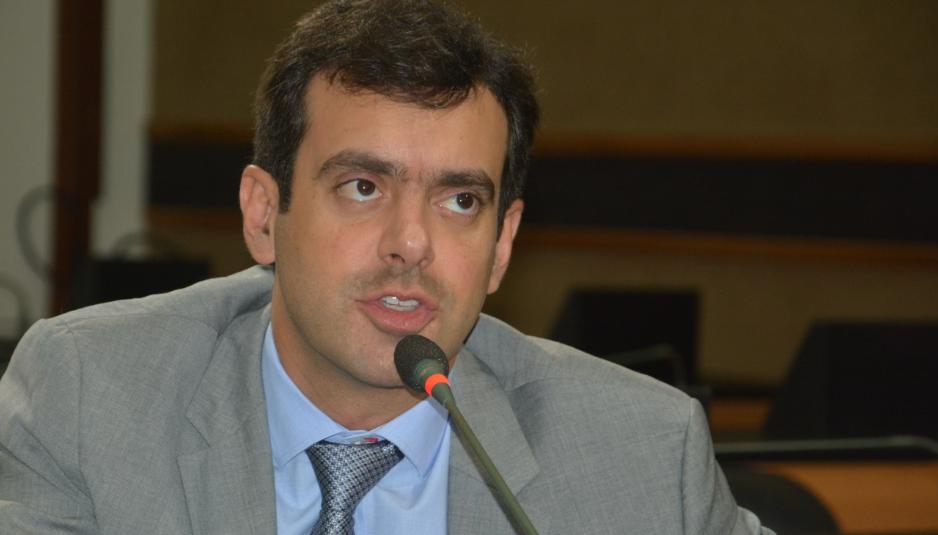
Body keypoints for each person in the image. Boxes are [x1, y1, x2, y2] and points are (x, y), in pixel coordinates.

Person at [0, 0, 772, 533]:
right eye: (363, 187)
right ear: (263, 214)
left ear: (502, 243)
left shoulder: (639, 455)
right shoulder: (90, 397)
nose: (411, 243)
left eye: (459, 201)